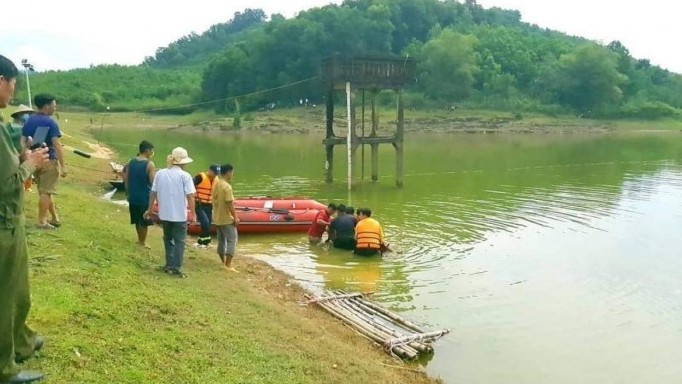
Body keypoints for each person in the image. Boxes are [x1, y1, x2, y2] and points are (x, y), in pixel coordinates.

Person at [0, 54, 49, 384]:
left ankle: (20, 342)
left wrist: (21, 157)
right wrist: (30, 164)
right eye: (12, 82)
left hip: (10, 221)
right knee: (5, 295)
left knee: (18, 292)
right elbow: (6, 184)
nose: (14, 89)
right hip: (3, 223)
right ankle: (5, 368)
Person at [144, 147, 196, 278]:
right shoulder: (185, 176)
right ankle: (176, 268)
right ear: (183, 162)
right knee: (179, 241)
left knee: (168, 239)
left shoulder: (160, 173)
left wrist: (149, 209)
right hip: (179, 215)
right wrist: (193, 213)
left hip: (165, 214)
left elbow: (153, 192)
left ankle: (169, 265)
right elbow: (190, 196)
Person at [21, 94, 65, 230]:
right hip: (48, 159)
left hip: (34, 160)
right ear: (46, 106)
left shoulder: (29, 120)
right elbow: (56, 145)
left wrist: (25, 157)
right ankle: (41, 221)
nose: (55, 107)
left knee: (45, 190)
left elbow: (23, 141)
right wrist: (63, 166)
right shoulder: (51, 122)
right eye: (54, 105)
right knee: (47, 191)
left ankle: (54, 218)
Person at [122, 140, 156, 248]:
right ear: (147, 150)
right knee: (144, 221)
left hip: (132, 195)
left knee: (137, 219)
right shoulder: (149, 164)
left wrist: (127, 192)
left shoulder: (130, 161)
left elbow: (126, 177)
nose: (152, 152)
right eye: (151, 150)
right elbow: (152, 182)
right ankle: (143, 242)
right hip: (143, 197)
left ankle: (139, 240)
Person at [212, 164, 240, 272]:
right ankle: (228, 265)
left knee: (221, 241)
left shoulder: (217, 184)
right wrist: (235, 217)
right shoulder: (227, 187)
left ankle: (223, 262)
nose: (232, 175)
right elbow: (230, 204)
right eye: (232, 172)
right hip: (226, 219)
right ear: (228, 173)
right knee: (232, 240)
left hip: (217, 218)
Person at [6, 105, 35, 192]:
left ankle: (26, 186)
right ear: (21, 115)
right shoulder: (11, 127)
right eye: (28, 114)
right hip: (15, 152)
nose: (29, 116)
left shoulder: (26, 128)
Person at [192, 164, 219, 249]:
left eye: (217, 173)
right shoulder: (200, 177)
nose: (215, 175)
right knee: (205, 222)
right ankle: (203, 243)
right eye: (214, 173)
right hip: (199, 203)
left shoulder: (216, 179)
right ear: (209, 170)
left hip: (209, 204)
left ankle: (203, 242)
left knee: (208, 224)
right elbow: (190, 186)